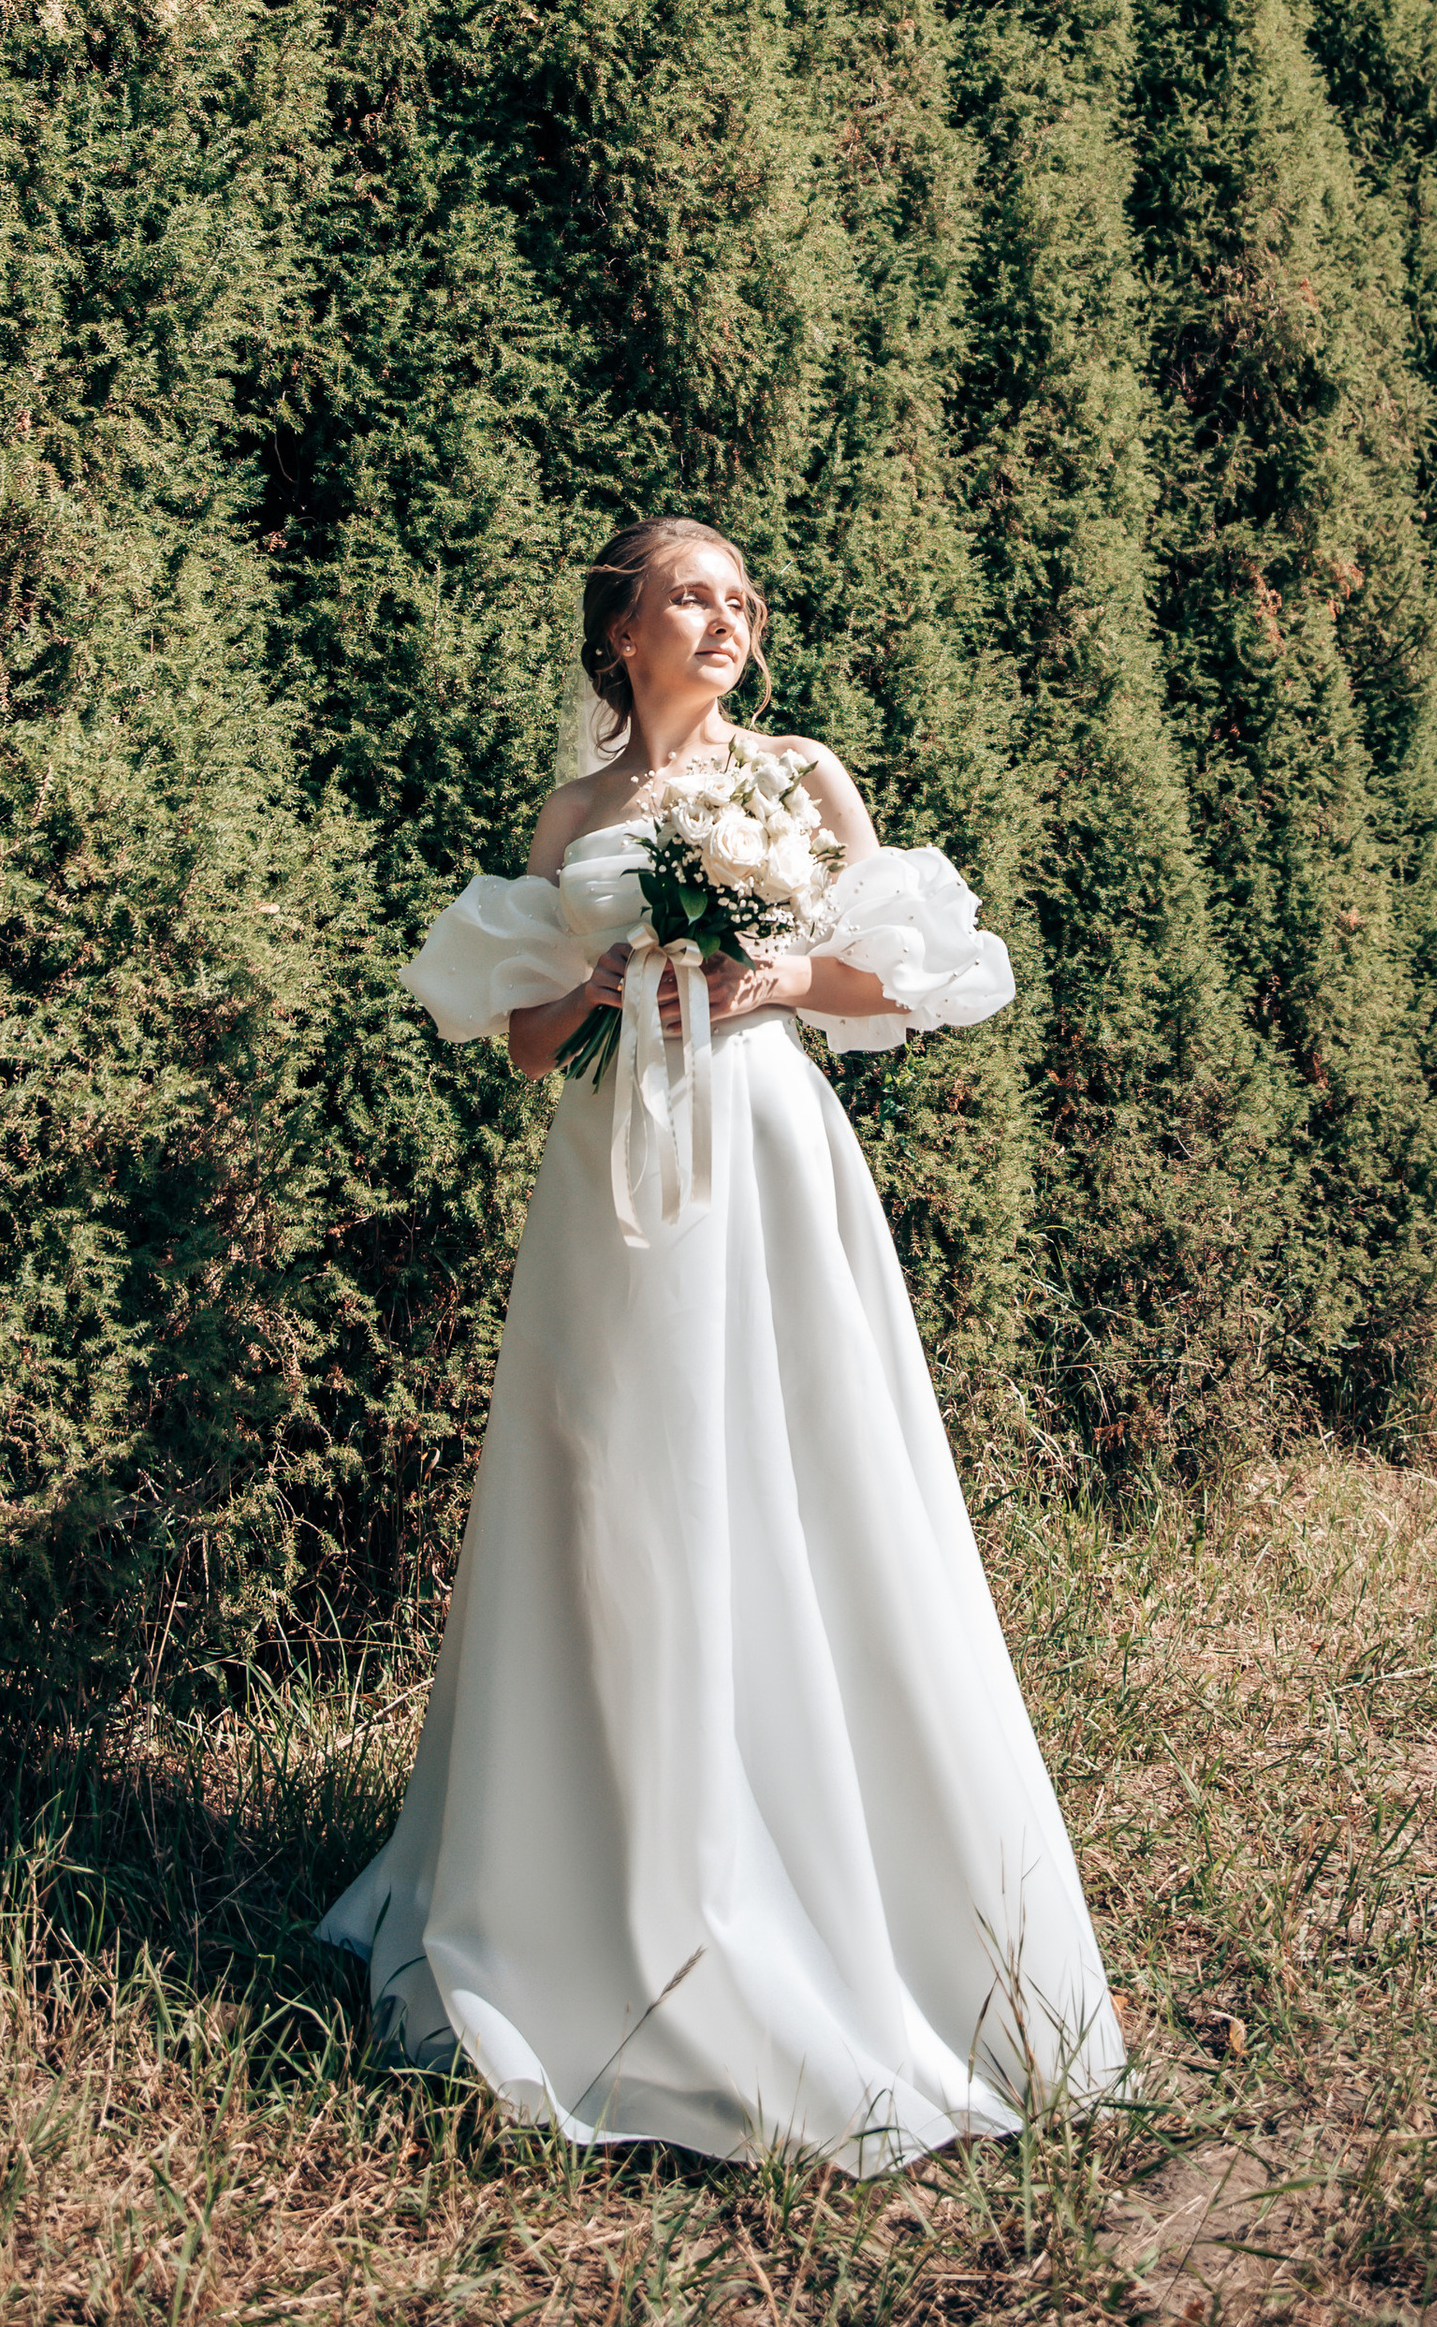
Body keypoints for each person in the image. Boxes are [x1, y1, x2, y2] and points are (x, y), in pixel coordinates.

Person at [320, 516, 1125, 2169]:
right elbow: (526, 1037)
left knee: (802, 1472)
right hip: (618, 1172)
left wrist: (772, 969)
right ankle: (600, 1867)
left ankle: (842, 1878)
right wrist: (608, 975)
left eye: (744, 594)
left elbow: (903, 986)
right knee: (621, 1485)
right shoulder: (577, 812)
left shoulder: (804, 776)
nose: (728, 613)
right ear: (621, 628)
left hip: (765, 1146)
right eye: (694, 590)